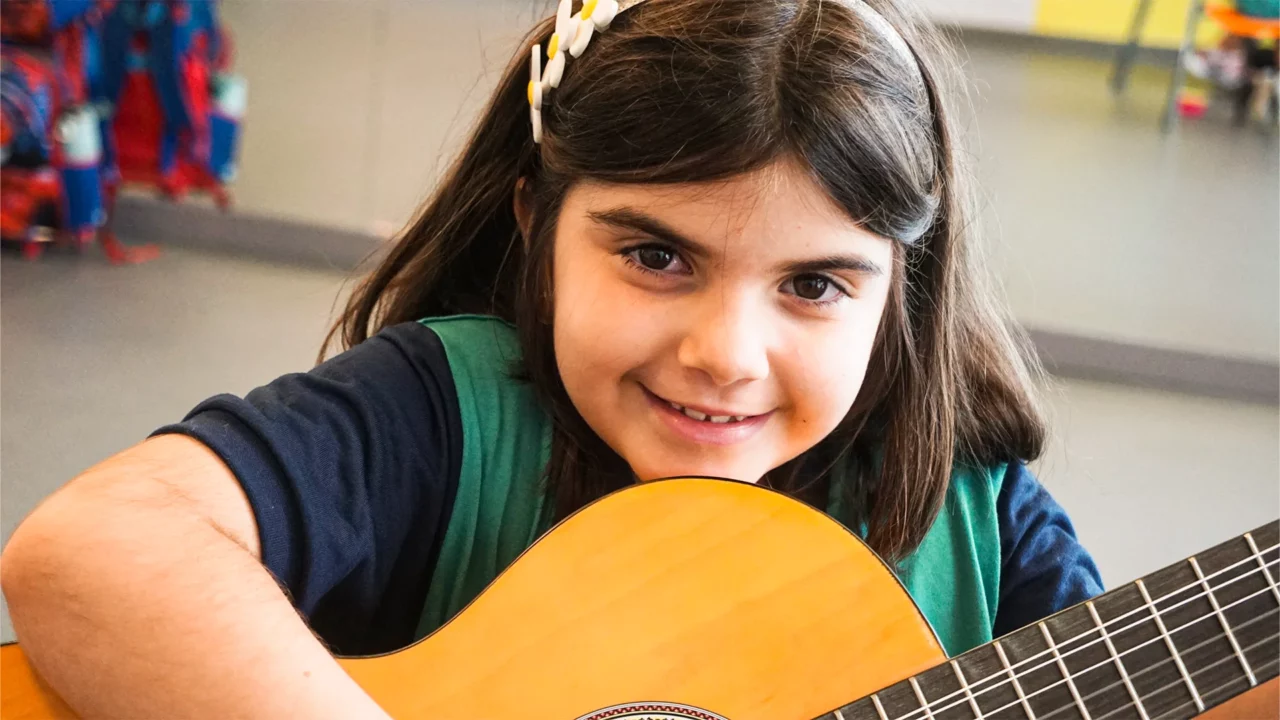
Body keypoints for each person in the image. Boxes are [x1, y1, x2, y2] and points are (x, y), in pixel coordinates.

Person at [0, 0, 1102, 716]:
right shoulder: (445, 411)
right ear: (536, 224)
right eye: (656, 256)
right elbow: (91, 550)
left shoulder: (974, 516)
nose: (723, 355)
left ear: (897, 290)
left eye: (812, 285)